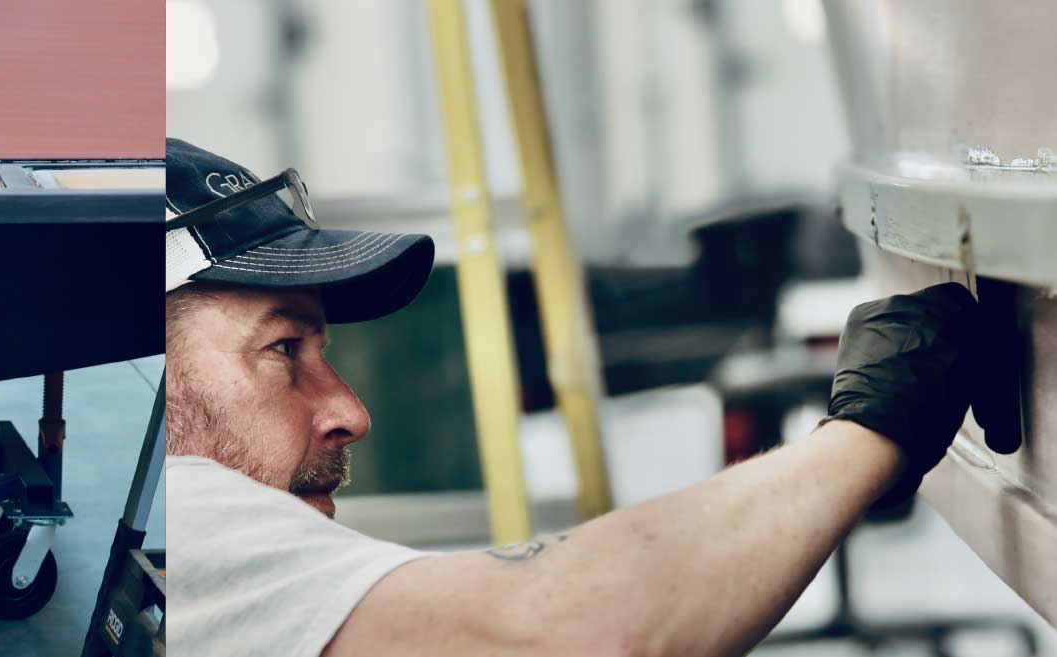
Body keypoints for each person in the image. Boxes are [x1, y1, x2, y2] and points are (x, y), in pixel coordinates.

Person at [156, 139, 980, 656]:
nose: (350, 413)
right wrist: (871, 425)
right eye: (282, 349)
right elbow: (559, 632)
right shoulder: (181, 512)